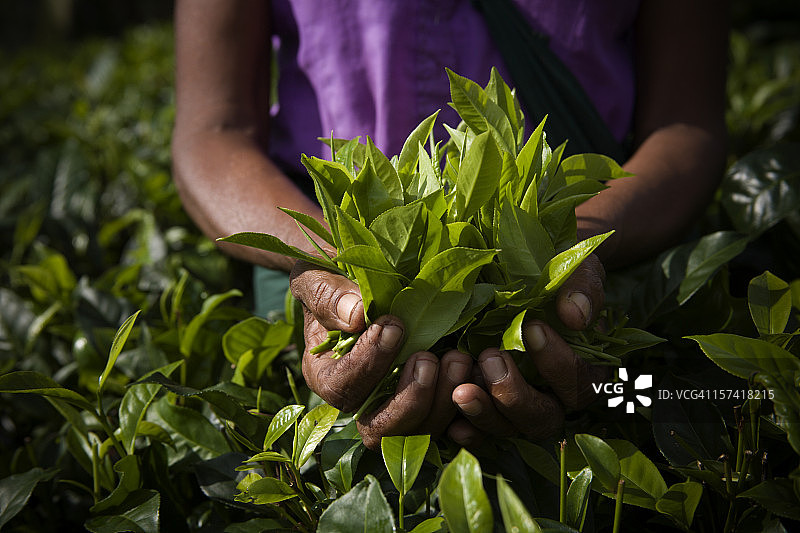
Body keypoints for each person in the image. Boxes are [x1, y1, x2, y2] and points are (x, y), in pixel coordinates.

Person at [171, 0, 727, 449]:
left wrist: (567, 250)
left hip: (599, 282)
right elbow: (210, 133)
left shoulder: (578, 263)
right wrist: (330, 265)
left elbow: (688, 128)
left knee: (676, 451)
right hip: (317, 295)